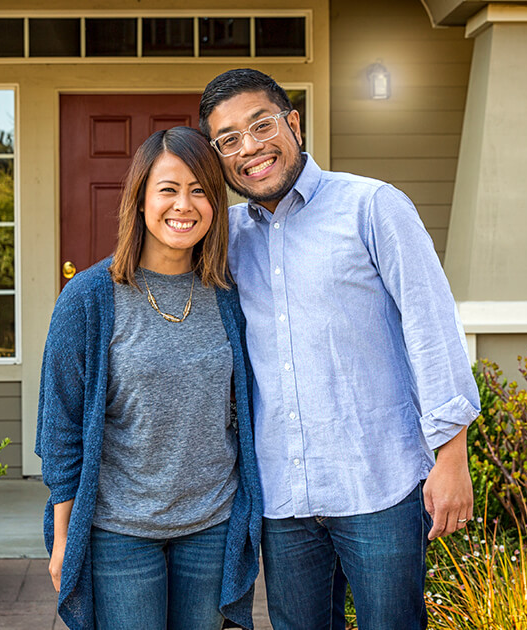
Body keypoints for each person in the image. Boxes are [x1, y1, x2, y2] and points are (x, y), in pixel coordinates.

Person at [198, 68, 480, 630]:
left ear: (293, 124)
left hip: (378, 481)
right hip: (282, 497)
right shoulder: (224, 237)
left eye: (261, 125)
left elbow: (431, 326)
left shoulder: (372, 206)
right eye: (229, 140)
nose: (250, 148)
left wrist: (452, 456)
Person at [35, 126, 262, 630]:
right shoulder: (90, 297)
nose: (184, 205)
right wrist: (65, 539)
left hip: (211, 525)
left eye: (200, 190)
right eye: (169, 189)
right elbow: (61, 426)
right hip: (119, 532)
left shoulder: (228, 293)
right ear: (140, 200)